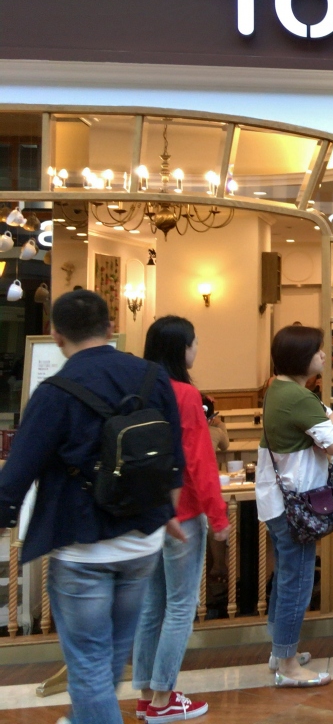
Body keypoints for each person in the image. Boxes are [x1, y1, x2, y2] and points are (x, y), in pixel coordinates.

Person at [0, 291, 184, 724]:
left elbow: (16, 474)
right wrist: (169, 513)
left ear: (55, 334)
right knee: (107, 662)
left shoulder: (54, 392)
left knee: (89, 666)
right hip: (143, 542)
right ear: (110, 326)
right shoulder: (152, 377)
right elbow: (173, 457)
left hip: (82, 546)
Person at [132, 316, 231, 722]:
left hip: (145, 514)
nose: (197, 348)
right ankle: (163, 699)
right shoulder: (186, 394)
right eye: (193, 342)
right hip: (183, 513)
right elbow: (199, 462)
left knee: (151, 607)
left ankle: (146, 695)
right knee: (179, 607)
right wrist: (219, 516)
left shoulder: (137, 390)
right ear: (180, 349)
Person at [257, 325, 333, 688]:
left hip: (276, 500)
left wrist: (324, 424)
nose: (324, 355)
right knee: (297, 582)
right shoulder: (299, 397)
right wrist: (332, 420)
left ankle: (280, 651)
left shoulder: (277, 389)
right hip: (296, 503)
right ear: (300, 357)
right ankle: (288, 666)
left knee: (285, 578)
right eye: (317, 350)